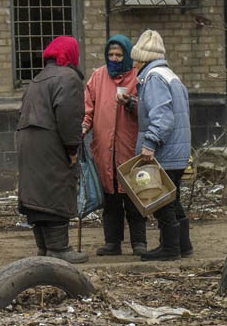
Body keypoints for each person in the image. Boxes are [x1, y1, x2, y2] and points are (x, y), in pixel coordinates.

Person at [16, 36, 88, 264]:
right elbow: (69, 117)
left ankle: (44, 247)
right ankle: (59, 248)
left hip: (29, 143)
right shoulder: (68, 78)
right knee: (57, 186)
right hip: (51, 143)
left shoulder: (38, 78)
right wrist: (73, 148)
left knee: (38, 193)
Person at [130, 29, 192, 261]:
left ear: (143, 57)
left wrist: (150, 143)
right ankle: (183, 245)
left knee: (161, 200)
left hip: (164, 151)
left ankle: (169, 248)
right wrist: (133, 105)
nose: (133, 63)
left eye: (135, 58)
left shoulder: (153, 78)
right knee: (173, 199)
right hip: (178, 149)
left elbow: (163, 116)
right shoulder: (170, 75)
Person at [82, 35, 147, 256]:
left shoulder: (138, 77)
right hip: (104, 150)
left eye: (119, 55)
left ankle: (139, 242)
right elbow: (88, 109)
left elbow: (147, 111)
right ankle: (113, 243)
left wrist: (131, 103)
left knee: (134, 197)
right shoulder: (98, 77)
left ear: (127, 55)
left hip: (130, 148)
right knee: (110, 200)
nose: (114, 58)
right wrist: (83, 126)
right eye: (111, 54)